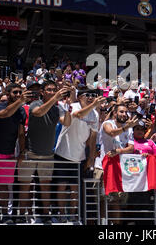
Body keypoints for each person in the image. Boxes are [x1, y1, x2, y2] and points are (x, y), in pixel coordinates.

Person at [17, 81, 73, 224]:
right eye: (49, 89)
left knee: (45, 187)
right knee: (25, 186)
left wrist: (67, 108)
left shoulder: (57, 108)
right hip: (30, 153)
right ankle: (21, 214)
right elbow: (39, 112)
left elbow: (66, 122)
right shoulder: (35, 104)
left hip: (47, 154)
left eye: (54, 90)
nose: (52, 92)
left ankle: (46, 215)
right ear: (42, 92)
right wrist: (55, 99)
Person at [0, 83, 30, 224]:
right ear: (8, 94)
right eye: (15, 92)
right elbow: (5, 114)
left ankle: (5, 215)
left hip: (8, 155)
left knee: (4, 186)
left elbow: (21, 134)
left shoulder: (21, 111)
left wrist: (21, 152)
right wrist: (20, 102)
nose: (19, 95)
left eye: (20, 92)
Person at [53, 89, 105, 223]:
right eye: (88, 95)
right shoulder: (73, 106)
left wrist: (91, 159)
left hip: (80, 156)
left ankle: (73, 215)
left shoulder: (94, 114)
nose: (91, 97)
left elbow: (93, 140)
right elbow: (78, 114)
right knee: (62, 186)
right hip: (63, 153)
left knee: (75, 188)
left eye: (93, 96)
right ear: (80, 97)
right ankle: (61, 213)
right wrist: (94, 105)